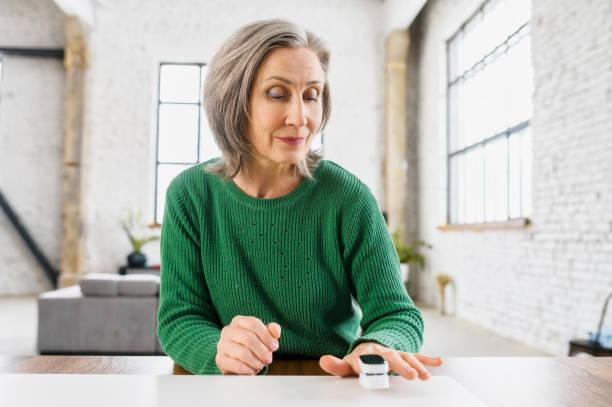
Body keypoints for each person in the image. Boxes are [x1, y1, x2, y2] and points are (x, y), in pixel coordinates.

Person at [157, 19, 443, 378]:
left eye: (312, 95)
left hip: (329, 384)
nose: (301, 117)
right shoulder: (190, 196)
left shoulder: (347, 197)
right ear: (233, 100)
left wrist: (375, 346)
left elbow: (397, 314)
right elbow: (179, 318)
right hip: (231, 390)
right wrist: (218, 351)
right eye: (277, 94)